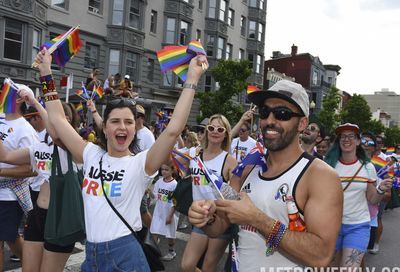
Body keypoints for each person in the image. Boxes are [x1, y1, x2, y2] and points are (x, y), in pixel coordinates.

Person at [34, 47, 207, 271]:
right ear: (104, 128)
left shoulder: (140, 164)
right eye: (115, 121)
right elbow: (57, 118)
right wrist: (46, 72)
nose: (122, 127)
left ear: (135, 128)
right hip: (92, 256)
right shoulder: (90, 154)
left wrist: (192, 78)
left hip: (125, 256)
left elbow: (173, 130)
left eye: (128, 122)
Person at [188, 79, 343, 270]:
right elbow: (218, 227)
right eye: (264, 112)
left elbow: (321, 255)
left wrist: (256, 219)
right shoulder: (248, 167)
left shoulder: (320, 176)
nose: (270, 120)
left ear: (302, 123)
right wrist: (204, 217)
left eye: (282, 114)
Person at [0, 96, 81, 272]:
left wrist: (36, 103)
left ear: (66, 121)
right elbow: (5, 157)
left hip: (61, 218)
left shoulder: (76, 150)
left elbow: (59, 133)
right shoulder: (40, 147)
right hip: (37, 214)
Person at [324, 123, 392, 268]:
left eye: (351, 136)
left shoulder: (367, 167)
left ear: (358, 141)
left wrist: (380, 190)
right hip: (331, 226)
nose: (346, 139)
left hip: (357, 226)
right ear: (338, 140)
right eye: (343, 136)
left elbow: (372, 199)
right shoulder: (328, 165)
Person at [180, 114, 237, 272]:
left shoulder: (230, 161)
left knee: (208, 267)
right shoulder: (195, 153)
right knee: (187, 265)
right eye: (211, 128)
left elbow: (234, 195)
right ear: (206, 130)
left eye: (220, 129)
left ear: (226, 133)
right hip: (199, 217)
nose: (215, 131)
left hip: (219, 219)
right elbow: (173, 160)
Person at [0, 84, 40, 271]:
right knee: (9, 237)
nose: (1, 92)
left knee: (3, 238)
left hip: (8, 195)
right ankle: (33, 262)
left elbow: (33, 169)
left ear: (18, 99)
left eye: (4, 89)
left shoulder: (25, 130)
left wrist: (1, 172)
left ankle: (32, 263)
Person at [149, 161, 179, 261]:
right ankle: (153, 253)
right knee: (154, 231)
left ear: (172, 170)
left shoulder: (174, 184)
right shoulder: (159, 182)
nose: (164, 172)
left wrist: (170, 216)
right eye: (162, 169)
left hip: (169, 213)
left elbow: (175, 202)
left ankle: (172, 251)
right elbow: (156, 196)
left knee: (170, 235)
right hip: (158, 212)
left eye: (166, 169)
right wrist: (149, 190)